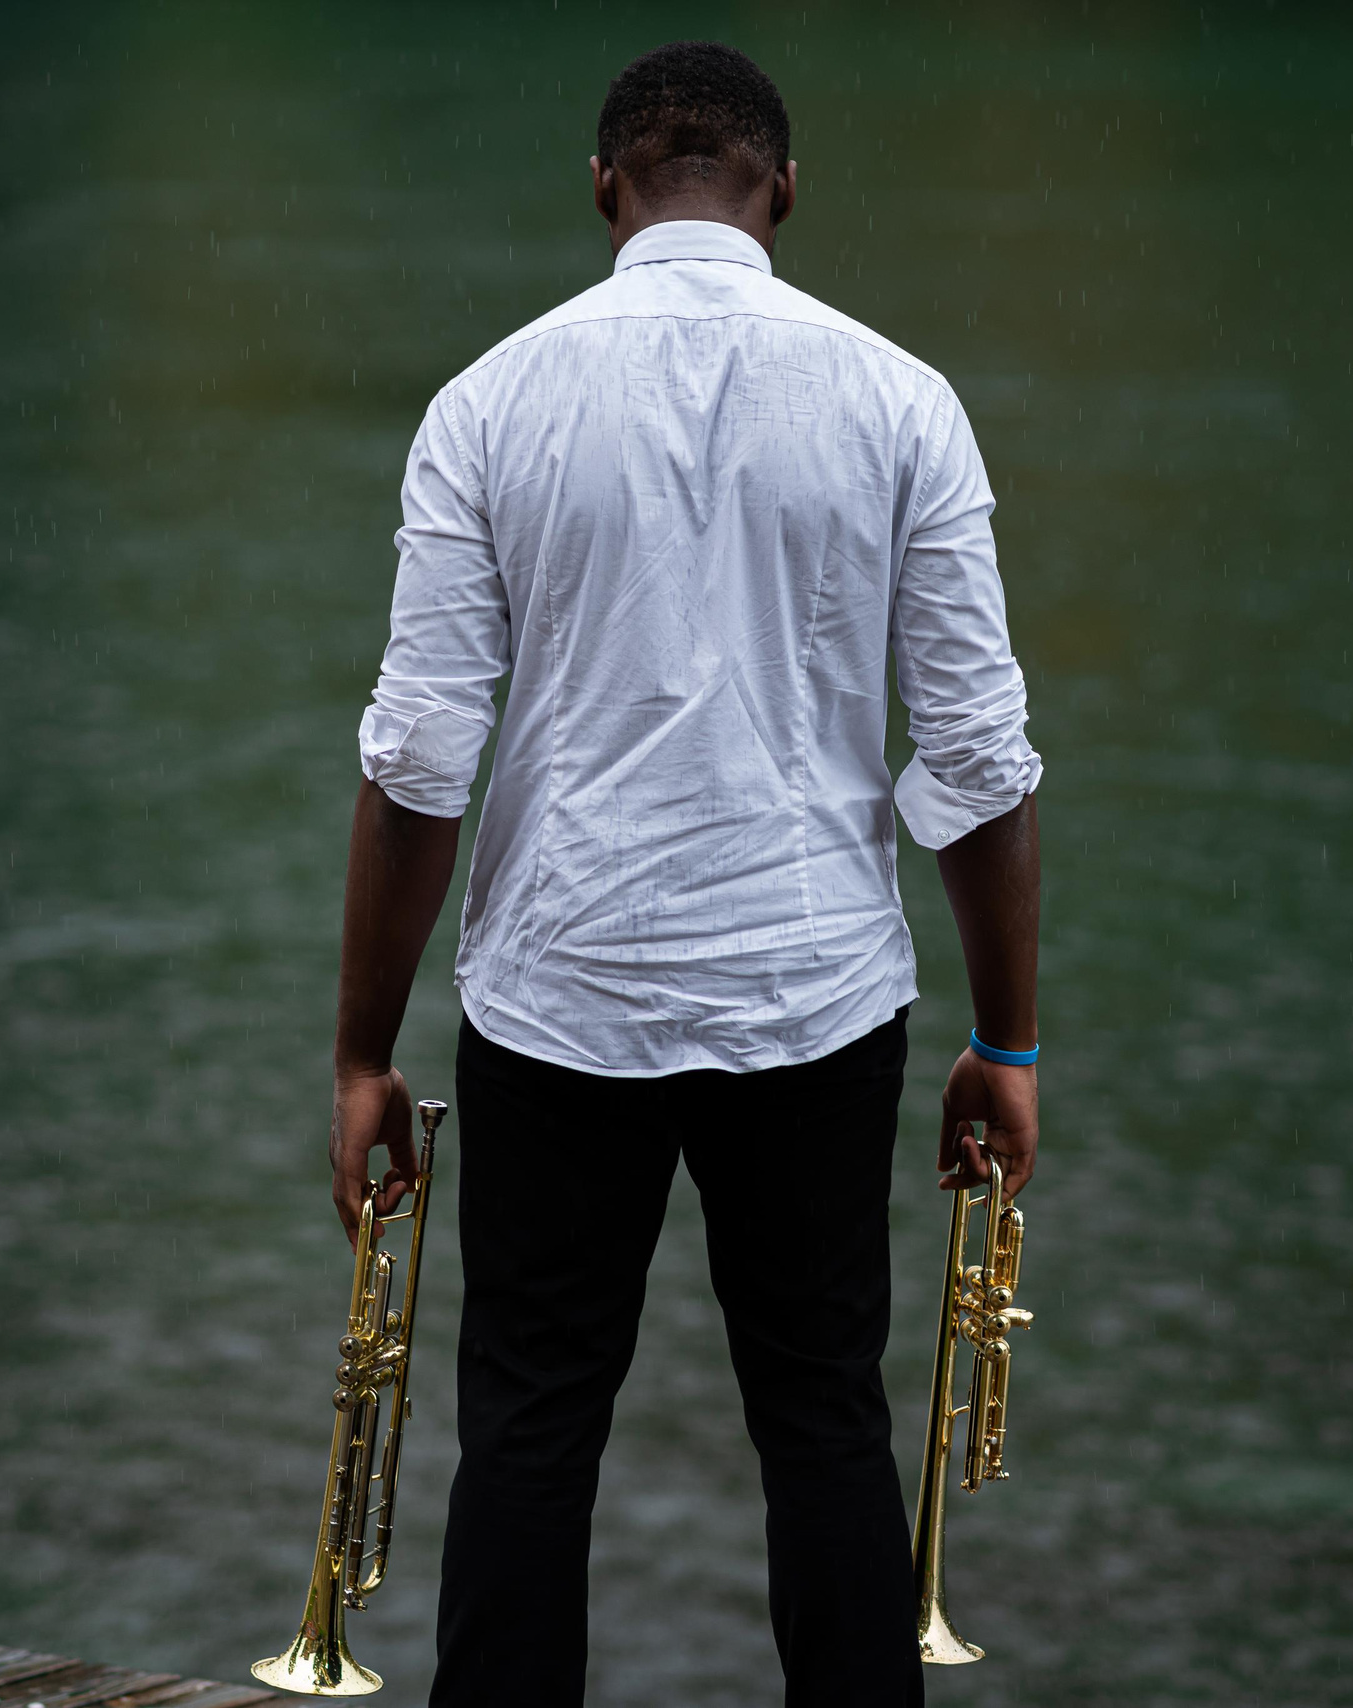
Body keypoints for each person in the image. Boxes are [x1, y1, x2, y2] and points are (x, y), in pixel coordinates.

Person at [324, 40, 1041, 1708]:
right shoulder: (901, 400)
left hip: (557, 1003)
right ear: (784, 194)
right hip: (815, 1001)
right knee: (823, 1421)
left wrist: (365, 1051)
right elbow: (985, 762)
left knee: (528, 1427)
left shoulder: (487, 403)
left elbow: (418, 762)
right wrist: (1006, 1047)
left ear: (603, 189)